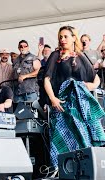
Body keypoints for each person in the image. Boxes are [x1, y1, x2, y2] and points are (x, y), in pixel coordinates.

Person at [44, 26, 105, 170]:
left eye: (66, 36)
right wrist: (52, 98)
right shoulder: (56, 55)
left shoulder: (80, 56)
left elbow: (96, 80)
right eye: (60, 37)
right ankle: (63, 171)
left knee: (82, 139)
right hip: (61, 104)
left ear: (73, 38)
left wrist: (83, 87)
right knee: (60, 140)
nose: (62, 39)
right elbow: (46, 79)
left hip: (79, 106)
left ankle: (84, 171)